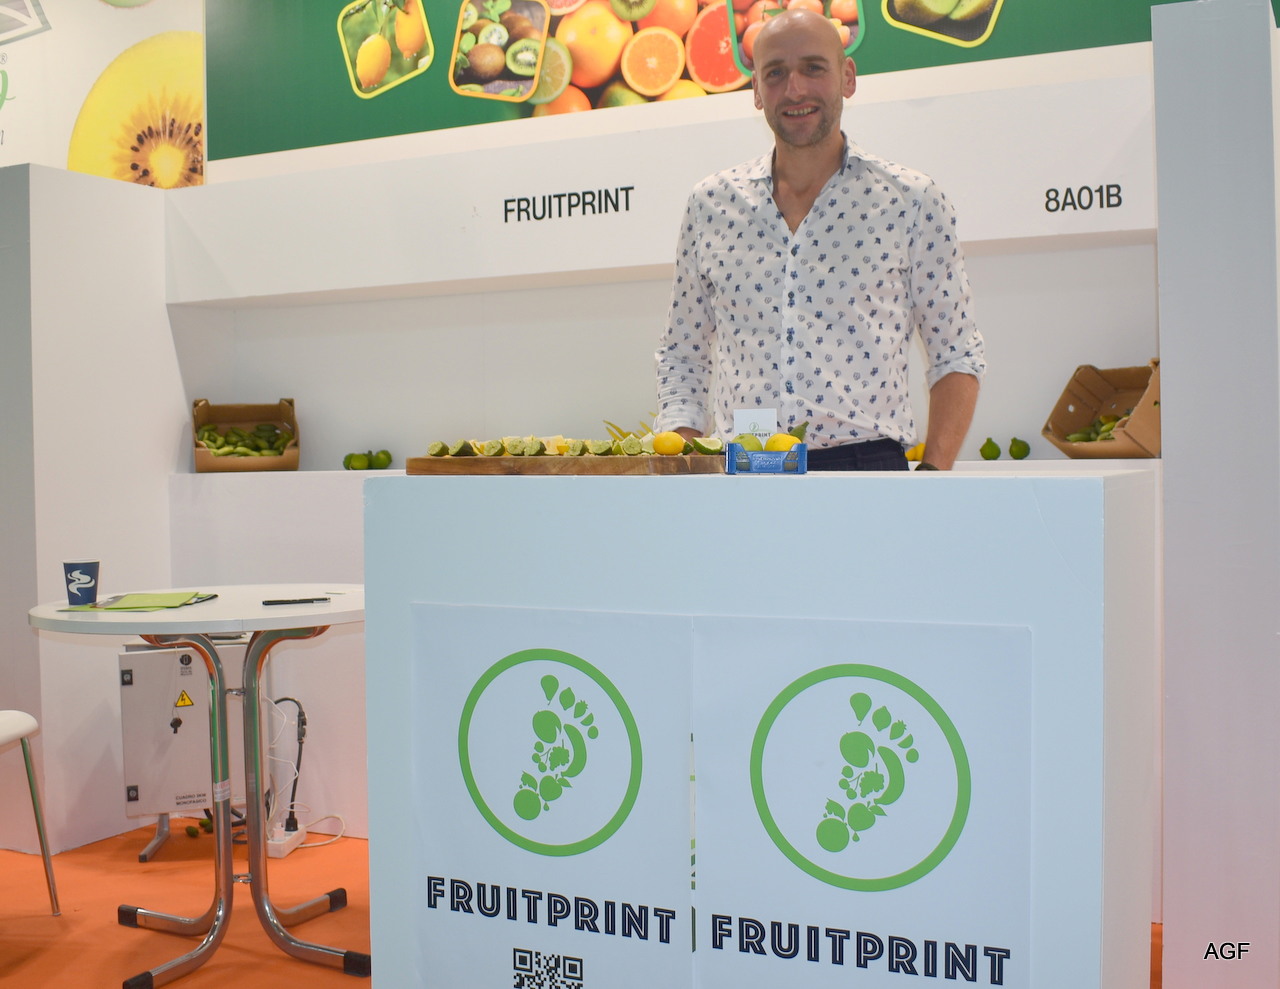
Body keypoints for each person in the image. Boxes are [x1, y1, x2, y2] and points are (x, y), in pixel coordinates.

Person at [653, 9, 985, 470]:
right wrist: (683, 460)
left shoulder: (910, 201)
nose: (795, 90)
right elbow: (682, 353)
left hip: (867, 469)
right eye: (775, 73)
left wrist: (932, 475)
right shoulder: (710, 204)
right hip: (746, 468)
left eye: (813, 68)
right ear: (755, 91)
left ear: (847, 77)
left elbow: (957, 353)